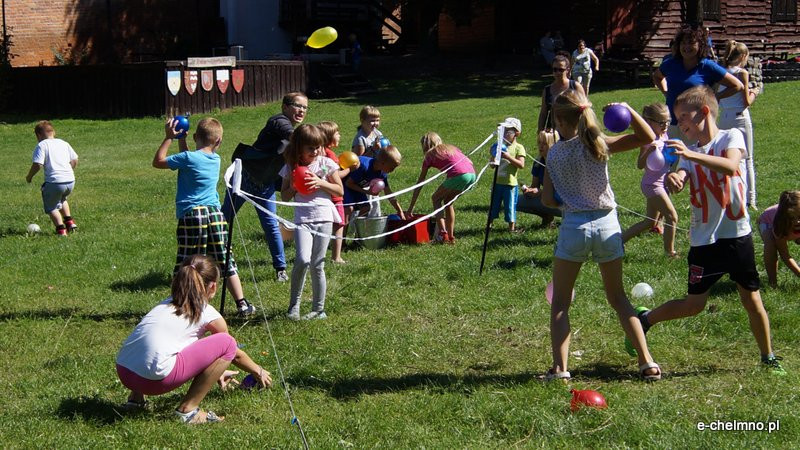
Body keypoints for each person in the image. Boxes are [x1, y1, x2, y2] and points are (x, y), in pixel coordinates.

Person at [632, 85, 785, 375]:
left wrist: (690, 157)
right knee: (693, 305)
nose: (679, 123)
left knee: (752, 299)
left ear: (704, 112)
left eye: (683, 116)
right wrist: (676, 178)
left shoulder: (731, 136)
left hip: (737, 235)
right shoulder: (689, 153)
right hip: (705, 241)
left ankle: (768, 357)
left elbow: (730, 166)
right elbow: (682, 173)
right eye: (676, 118)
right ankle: (646, 319)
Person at [541, 90, 660, 381]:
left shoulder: (554, 152)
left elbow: (546, 200)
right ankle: (647, 362)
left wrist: (564, 194)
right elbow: (647, 138)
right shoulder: (597, 144)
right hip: (607, 225)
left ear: (558, 119)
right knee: (619, 298)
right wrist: (628, 110)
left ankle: (560, 369)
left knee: (560, 304)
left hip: (573, 228)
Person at [116, 255, 273, 424]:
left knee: (154, 344)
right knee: (227, 343)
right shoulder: (208, 313)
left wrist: (217, 372)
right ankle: (188, 411)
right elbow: (232, 352)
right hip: (154, 381)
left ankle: (135, 400)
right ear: (212, 287)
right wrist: (258, 371)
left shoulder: (164, 304)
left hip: (124, 372)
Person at [152, 117, 255, 317]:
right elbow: (189, 156)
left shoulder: (188, 159)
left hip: (193, 214)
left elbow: (158, 161)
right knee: (225, 259)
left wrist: (169, 138)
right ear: (219, 142)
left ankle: (179, 303)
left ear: (195, 136)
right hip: (215, 214)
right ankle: (242, 303)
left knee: (188, 261)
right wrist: (183, 140)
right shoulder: (214, 159)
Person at [224, 92, 309, 283]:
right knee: (224, 219)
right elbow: (292, 134)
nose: (301, 110)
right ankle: (210, 257)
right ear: (285, 107)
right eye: (298, 105)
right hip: (244, 179)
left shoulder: (295, 136)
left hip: (265, 185)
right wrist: (311, 138)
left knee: (271, 226)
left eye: (305, 107)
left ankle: (280, 269)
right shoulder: (278, 121)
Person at [279, 124, 343, 320]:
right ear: (299, 147)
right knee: (302, 260)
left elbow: (339, 190)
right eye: (310, 148)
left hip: (324, 216)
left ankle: (318, 309)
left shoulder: (324, 164)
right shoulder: (291, 167)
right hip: (303, 220)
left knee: (317, 264)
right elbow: (284, 196)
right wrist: (294, 187)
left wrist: (320, 182)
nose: (315, 152)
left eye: (318, 147)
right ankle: (294, 307)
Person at [652, 26, 743, 142]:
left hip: (697, 124)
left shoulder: (707, 66)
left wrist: (716, 97)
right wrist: (665, 92)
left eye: (691, 43)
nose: (686, 47)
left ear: (700, 45)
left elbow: (737, 85)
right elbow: (657, 76)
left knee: (695, 157)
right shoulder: (670, 64)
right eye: (683, 43)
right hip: (672, 122)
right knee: (672, 158)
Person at [621, 103, 679, 257]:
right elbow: (640, 165)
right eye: (661, 122)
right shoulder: (648, 140)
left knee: (650, 222)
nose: (665, 125)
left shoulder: (664, 136)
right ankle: (670, 252)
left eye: (667, 121)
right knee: (672, 216)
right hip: (652, 185)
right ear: (649, 122)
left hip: (662, 183)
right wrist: (649, 152)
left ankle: (618, 241)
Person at [405, 132, 476, 243]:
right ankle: (451, 237)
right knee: (448, 201)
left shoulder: (429, 155)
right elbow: (469, 161)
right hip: (472, 175)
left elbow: (420, 182)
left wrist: (411, 208)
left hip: (458, 176)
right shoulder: (451, 148)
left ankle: (443, 233)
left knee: (436, 199)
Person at [718, 40, 759, 209]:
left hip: (724, 117)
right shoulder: (742, 73)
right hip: (740, 117)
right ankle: (751, 199)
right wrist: (755, 92)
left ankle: (727, 194)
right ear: (743, 56)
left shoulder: (721, 73)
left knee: (726, 156)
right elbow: (746, 101)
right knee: (747, 158)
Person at [25, 121, 79, 236]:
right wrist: (68, 171)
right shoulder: (64, 143)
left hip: (55, 182)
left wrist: (29, 176)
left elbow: (37, 164)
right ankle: (70, 223)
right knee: (62, 199)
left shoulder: (42, 145)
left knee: (51, 207)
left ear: (38, 135)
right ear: (53, 132)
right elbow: (74, 160)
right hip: (70, 181)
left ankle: (61, 230)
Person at [343, 146, 405, 221]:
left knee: (366, 208)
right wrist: (367, 192)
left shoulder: (382, 173)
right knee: (348, 209)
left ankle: (357, 228)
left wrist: (399, 210)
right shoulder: (364, 166)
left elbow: (388, 192)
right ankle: (343, 232)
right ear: (382, 163)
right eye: (392, 168)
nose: (393, 170)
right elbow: (348, 183)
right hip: (345, 186)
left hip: (356, 188)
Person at [317, 121, 349, 263]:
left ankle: (319, 255)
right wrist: (350, 169)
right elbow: (335, 177)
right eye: (337, 133)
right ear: (329, 137)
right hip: (335, 198)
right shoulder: (329, 155)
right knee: (339, 225)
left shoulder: (320, 153)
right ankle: (336, 257)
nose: (339, 135)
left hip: (323, 196)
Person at [517, 130, 562, 228]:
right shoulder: (538, 162)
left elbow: (562, 191)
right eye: (539, 143)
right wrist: (529, 190)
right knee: (515, 201)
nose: (540, 146)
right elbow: (535, 185)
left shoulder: (560, 163)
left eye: (545, 144)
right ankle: (547, 216)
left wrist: (541, 192)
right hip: (545, 198)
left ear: (553, 145)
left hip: (562, 203)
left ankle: (567, 220)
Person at [489, 118, 526, 232]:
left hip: (510, 184)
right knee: (493, 205)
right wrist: (494, 157)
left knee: (510, 207)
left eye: (508, 132)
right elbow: (492, 165)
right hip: (497, 183)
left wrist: (508, 157)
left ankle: (511, 228)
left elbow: (521, 165)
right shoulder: (499, 146)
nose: (504, 134)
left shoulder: (519, 148)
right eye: (503, 131)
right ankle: (489, 226)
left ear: (517, 133)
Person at [758, 191, 800, 287]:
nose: (797, 221)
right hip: (767, 221)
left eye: (799, 216)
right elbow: (784, 255)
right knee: (771, 245)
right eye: (792, 217)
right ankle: (773, 282)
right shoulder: (780, 225)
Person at [538, 54, 586, 132]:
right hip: (552, 132)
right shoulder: (547, 90)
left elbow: (585, 110)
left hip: (574, 130)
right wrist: (540, 131)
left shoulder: (575, 86)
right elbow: (543, 113)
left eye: (561, 70)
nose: (557, 72)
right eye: (555, 69)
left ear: (567, 70)